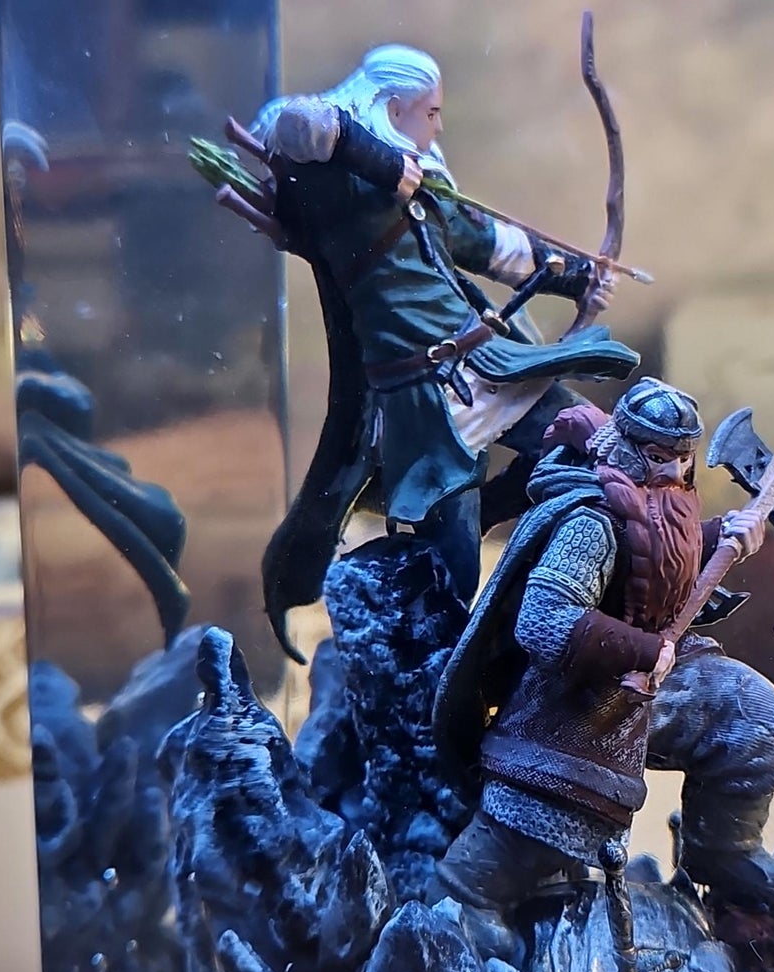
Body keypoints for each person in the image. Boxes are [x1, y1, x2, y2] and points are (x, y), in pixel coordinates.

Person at [253, 45, 639, 654]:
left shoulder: (423, 191)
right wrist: (380, 162)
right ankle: (438, 679)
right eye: (430, 113)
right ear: (394, 108)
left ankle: (525, 564)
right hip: (426, 404)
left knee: (593, 450)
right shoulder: (339, 187)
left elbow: (494, 245)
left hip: (489, 365)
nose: (438, 126)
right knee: (453, 575)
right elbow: (293, 122)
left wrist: (580, 277)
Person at [433, 379, 774, 951]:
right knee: (536, 832)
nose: (674, 469)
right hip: (572, 700)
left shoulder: (665, 497)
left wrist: (719, 537)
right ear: (626, 447)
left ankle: (721, 849)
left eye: (683, 457)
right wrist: (644, 650)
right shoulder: (590, 522)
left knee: (756, 720)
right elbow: (544, 622)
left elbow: (659, 558)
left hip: (659, 676)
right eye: (659, 456)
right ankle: (465, 903)